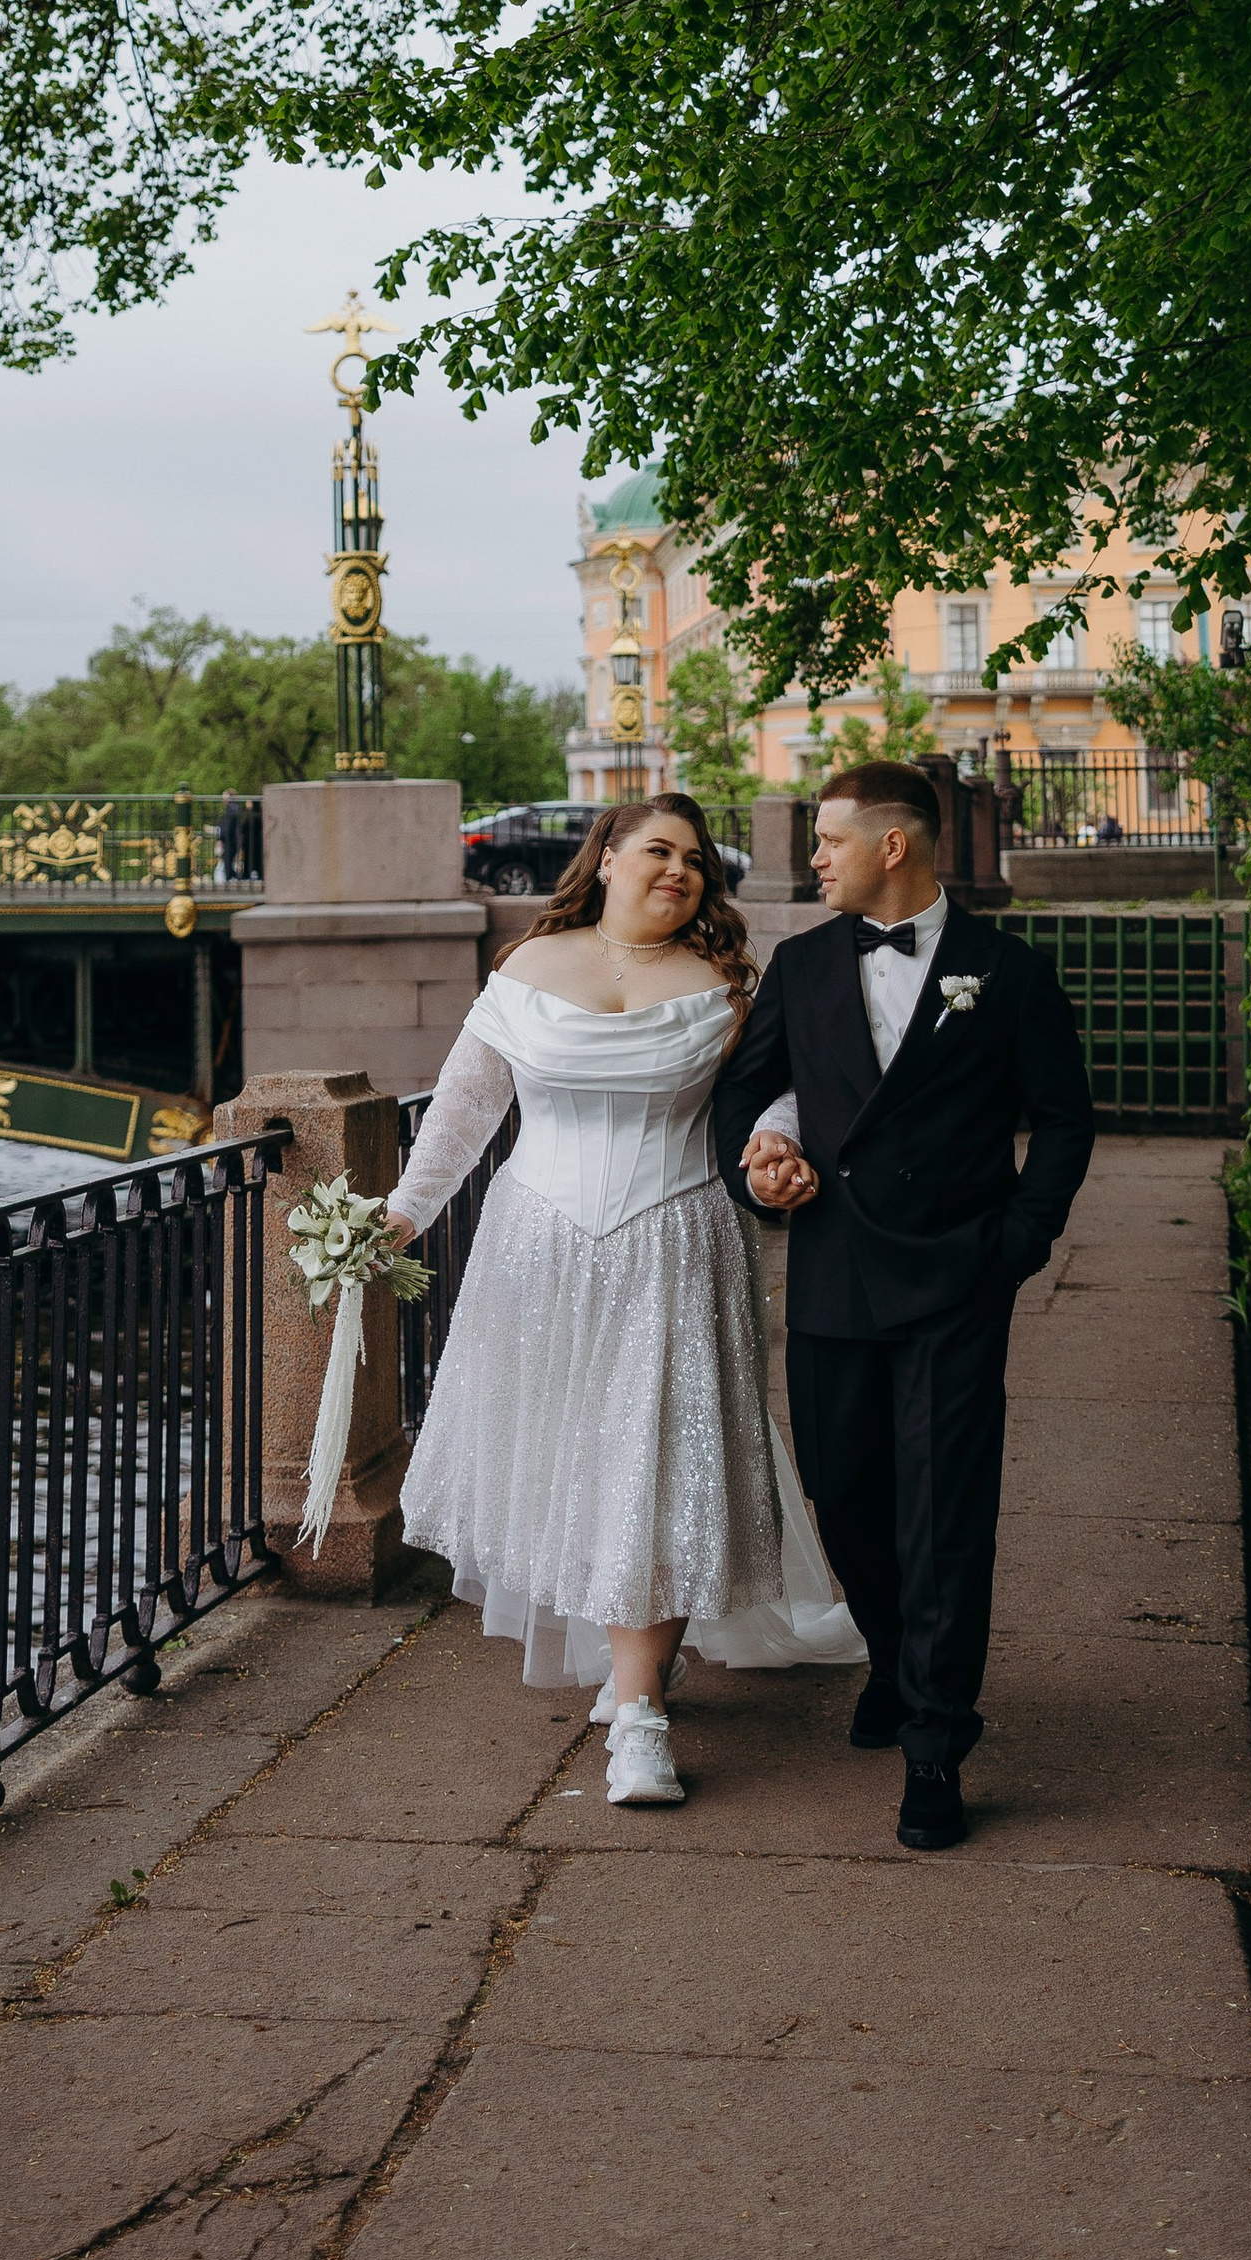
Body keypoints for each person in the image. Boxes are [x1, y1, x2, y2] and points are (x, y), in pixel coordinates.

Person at [389, 795, 861, 1811]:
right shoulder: (524, 968)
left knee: (651, 1463)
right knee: (579, 1463)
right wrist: (401, 1216)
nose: (679, 871)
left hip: (675, 1244)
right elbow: (467, 1107)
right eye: (657, 850)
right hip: (538, 1253)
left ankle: (639, 1716)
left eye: (695, 860)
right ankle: (640, 1662)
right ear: (603, 858)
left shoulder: (724, 987)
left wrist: (777, 1144)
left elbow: (768, 1100)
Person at [712, 758, 1096, 1852]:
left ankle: (936, 1737)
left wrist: (1020, 1242)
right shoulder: (800, 964)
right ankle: (888, 1652)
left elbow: (1063, 1119)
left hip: (956, 1279)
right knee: (846, 1494)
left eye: (827, 839)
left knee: (944, 1511)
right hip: (834, 1268)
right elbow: (745, 1096)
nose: (812, 856)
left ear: (894, 845)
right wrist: (760, 1161)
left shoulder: (1005, 971)